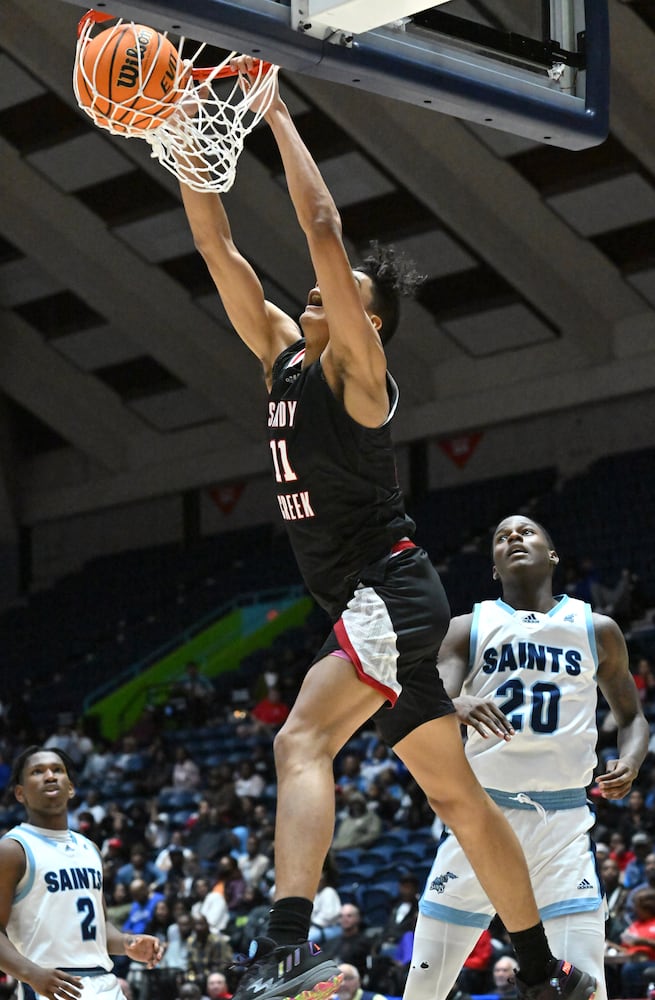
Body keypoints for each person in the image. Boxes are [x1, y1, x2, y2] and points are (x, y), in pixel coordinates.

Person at [179, 61, 599, 1000]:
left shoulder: (357, 376)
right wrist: (181, 135)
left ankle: (288, 942)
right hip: (374, 597)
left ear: (368, 321)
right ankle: (539, 972)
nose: (315, 293)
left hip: (389, 590)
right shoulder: (284, 354)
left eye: (337, 293)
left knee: (300, 744)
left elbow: (322, 227)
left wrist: (276, 113)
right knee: (457, 798)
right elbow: (215, 246)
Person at [403, 515, 649, 1000]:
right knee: (424, 988)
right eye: (501, 536)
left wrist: (633, 760)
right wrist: (454, 704)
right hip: (482, 819)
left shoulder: (596, 628)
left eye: (527, 531)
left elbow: (632, 717)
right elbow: (426, 705)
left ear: (553, 555)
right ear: (494, 567)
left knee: (586, 989)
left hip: (562, 826)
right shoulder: (465, 628)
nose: (514, 537)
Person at [0, 746, 164, 1000]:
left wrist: (127, 943)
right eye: (37, 771)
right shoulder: (13, 849)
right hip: (51, 985)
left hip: (106, 985)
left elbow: (99, 925)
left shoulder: (90, 849)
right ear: (20, 793)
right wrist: (31, 974)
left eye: (57, 770)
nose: (50, 776)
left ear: (71, 788)